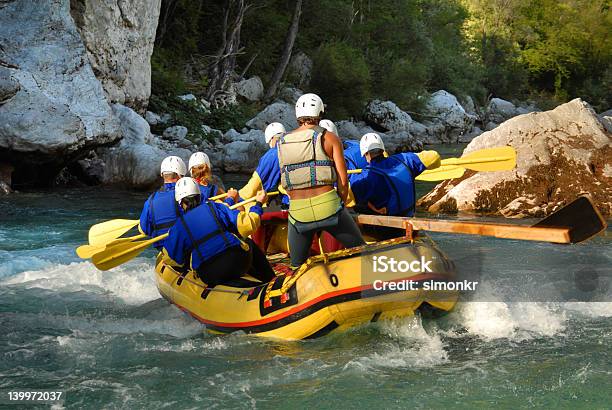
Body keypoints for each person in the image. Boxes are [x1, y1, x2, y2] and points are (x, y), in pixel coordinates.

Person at [277, 93, 365, 268]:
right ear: (320, 112)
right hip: (328, 207)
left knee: (297, 265)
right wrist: (341, 202)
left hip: (298, 212)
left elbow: (285, 179)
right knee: (361, 251)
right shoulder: (330, 138)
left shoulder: (281, 141)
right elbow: (343, 179)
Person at [162, 177, 276, 287]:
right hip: (238, 261)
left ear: (180, 203)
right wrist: (258, 204)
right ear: (199, 196)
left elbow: (170, 260)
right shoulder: (215, 207)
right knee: (247, 243)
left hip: (210, 273)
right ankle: (271, 280)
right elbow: (248, 225)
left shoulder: (178, 226)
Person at [350, 133, 441, 217]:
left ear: (366, 153)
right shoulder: (405, 160)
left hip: (386, 227)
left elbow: (348, 194)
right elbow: (434, 156)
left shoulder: (366, 176)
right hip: (409, 217)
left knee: (357, 205)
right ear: (382, 150)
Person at [139, 156, 187, 250]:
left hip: (163, 251)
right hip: (185, 247)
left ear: (162, 175)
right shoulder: (185, 194)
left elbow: (144, 230)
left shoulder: (150, 201)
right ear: (179, 175)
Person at [239, 122, 289, 207]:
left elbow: (257, 182)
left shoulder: (272, 154)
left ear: (272, 138)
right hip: (297, 196)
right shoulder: (293, 148)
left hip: (288, 201)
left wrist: (238, 197)